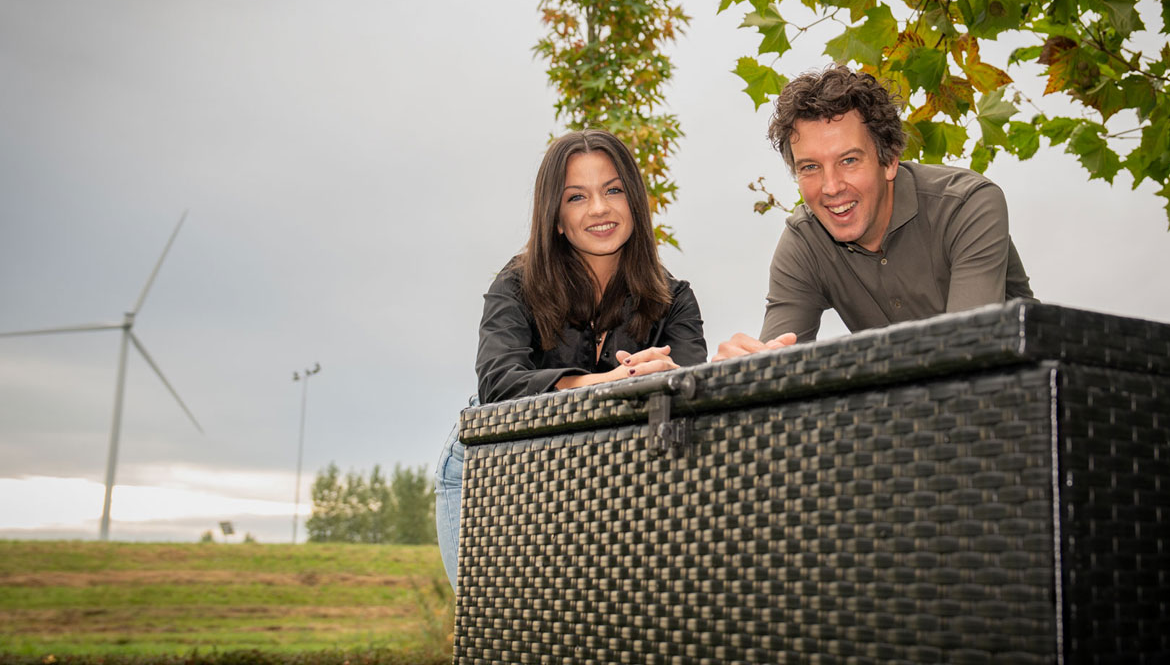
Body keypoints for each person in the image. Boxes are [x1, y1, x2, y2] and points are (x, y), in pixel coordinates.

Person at [435, 129, 707, 591]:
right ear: (557, 219)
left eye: (613, 190)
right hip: (492, 467)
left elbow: (694, 403)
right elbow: (498, 383)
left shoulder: (673, 298)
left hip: (605, 473)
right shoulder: (518, 283)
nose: (599, 208)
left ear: (634, 203)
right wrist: (607, 383)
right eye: (577, 197)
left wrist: (672, 379)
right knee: (503, 629)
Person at [715, 64, 1034, 360]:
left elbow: (968, 351)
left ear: (891, 159)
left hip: (1024, 401)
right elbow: (776, 366)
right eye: (810, 167)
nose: (830, 187)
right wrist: (741, 371)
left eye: (849, 160)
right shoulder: (804, 241)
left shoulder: (967, 205)